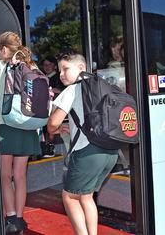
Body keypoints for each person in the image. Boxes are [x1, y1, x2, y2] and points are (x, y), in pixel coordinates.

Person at [47, 52, 119, 235]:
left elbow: (53, 123)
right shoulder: (103, 86)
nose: (61, 74)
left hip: (87, 153)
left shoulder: (71, 90)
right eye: (60, 70)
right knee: (86, 197)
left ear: (81, 68)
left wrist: (53, 129)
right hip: (110, 150)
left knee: (69, 197)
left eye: (66, 69)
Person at [0, 31, 41, 234]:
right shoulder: (32, 66)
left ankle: (11, 217)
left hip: (6, 125)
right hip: (28, 126)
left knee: (5, 175)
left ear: (4, 49)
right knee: (20, 175)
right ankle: (21, 219)